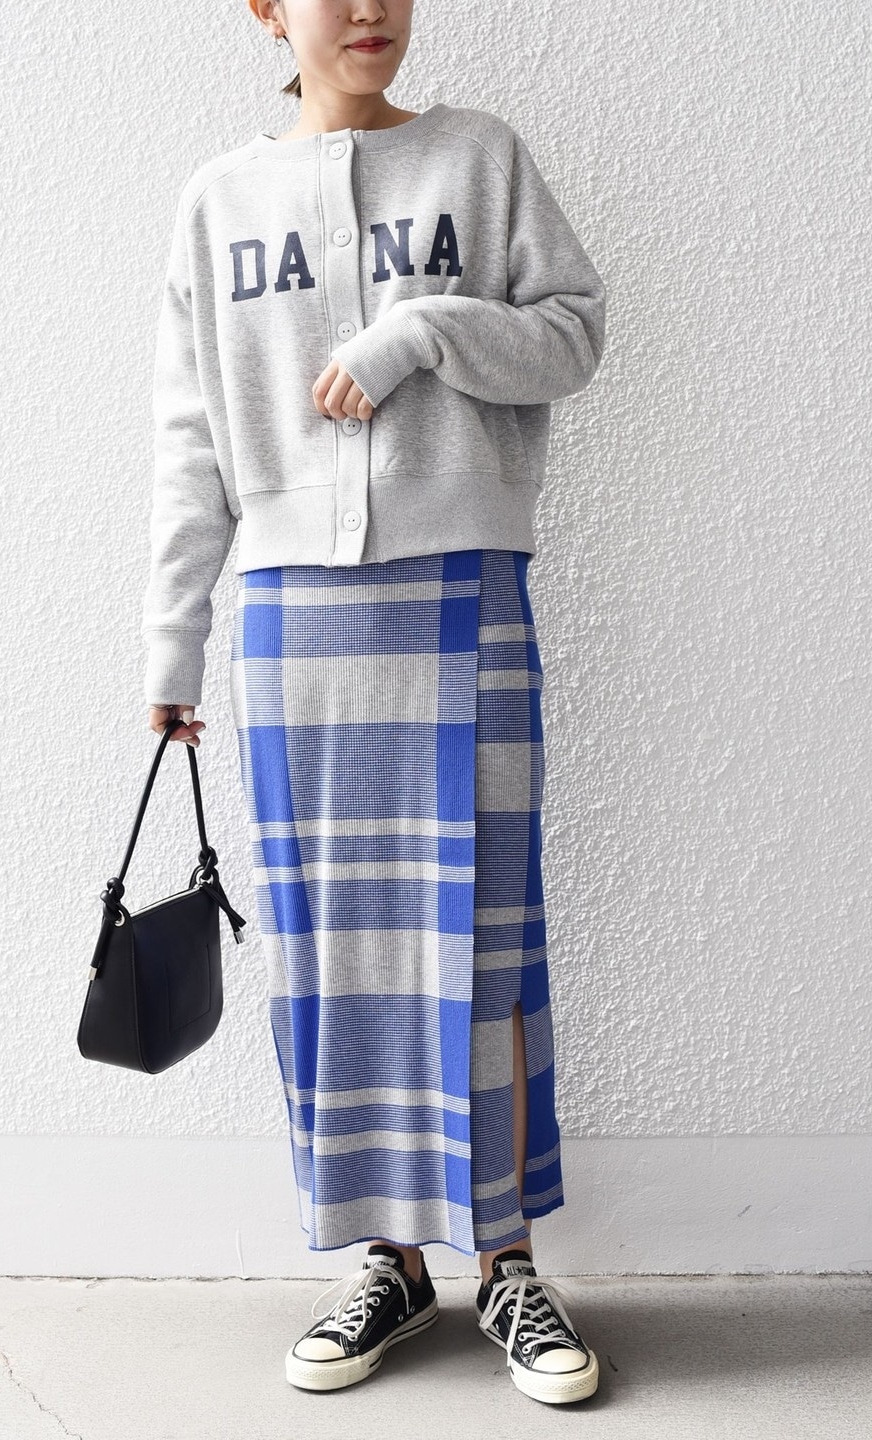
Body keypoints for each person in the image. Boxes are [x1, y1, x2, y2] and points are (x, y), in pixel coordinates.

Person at [143, 0, 607, 1407]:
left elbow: (575, 336)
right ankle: (387, 1263)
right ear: (266, 10)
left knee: (488, 930)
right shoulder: (220, 201)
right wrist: (171, 647)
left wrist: (423, 333)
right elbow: (190, 437)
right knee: (333, 947)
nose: (371, 9)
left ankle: (508, 1262)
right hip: (293, 616)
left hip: (464, 588)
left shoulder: (480, 159)